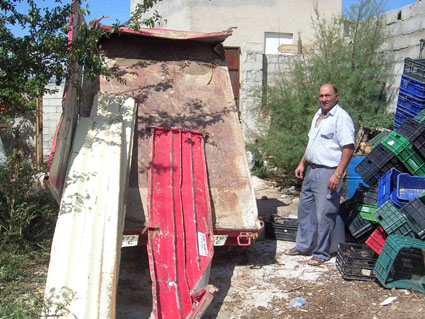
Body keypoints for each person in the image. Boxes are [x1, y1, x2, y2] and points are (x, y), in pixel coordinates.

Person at [284, 83, 355, 266]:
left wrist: (338, 174)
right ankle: (303, 245)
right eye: (321, 96)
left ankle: (321, 253)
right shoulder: (318, 115)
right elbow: (311, 142)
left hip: (328, 172)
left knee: (325, 213)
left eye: (327, 95)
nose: (324, 99)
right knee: (305, 210)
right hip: (311, 170)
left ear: (336, 97)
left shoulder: (341, 118)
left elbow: (348, 148)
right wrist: (302, 162)